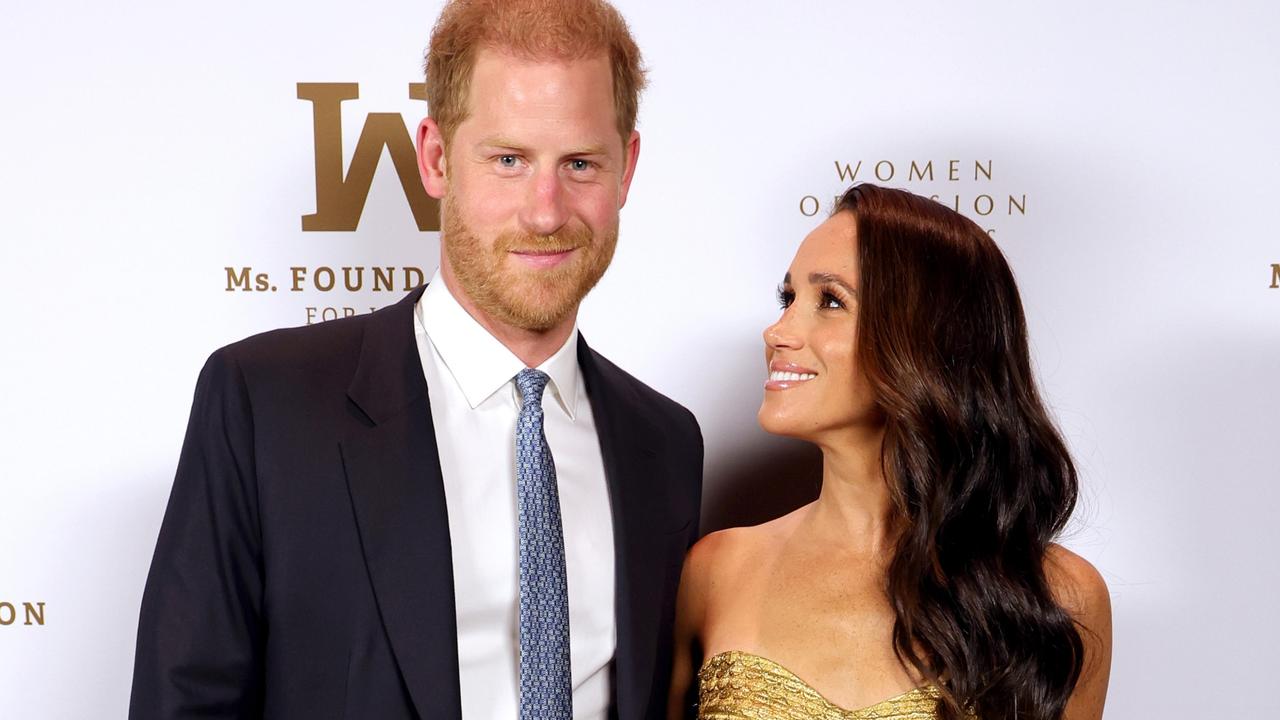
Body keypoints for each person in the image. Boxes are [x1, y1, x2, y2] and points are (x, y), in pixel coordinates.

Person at [129, 1, 702, 718]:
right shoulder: (264, 403)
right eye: (508, 160)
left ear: (627, 169)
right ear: (435, 159)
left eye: (580, 163)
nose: (546, 211)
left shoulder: (666, 444)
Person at [668, 184, 1111, 720]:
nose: (778, 331)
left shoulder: (1058, 597)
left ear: (926, 338)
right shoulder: (717, 570)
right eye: (788, 299)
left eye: (830, 301)